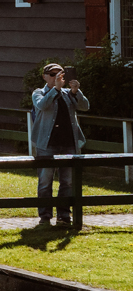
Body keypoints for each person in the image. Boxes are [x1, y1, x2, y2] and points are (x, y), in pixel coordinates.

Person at [30, 63, 89, 226]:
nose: (56, 77)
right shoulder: (39, 93)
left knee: (68, 181)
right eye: (52, 74)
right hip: (47, 144)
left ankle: (63, 215)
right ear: (44, 77)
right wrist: (55, 89)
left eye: (59, 74)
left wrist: (77, 92)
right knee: (45, 181)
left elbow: (85, 106)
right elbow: (42, 105)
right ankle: (45, 216)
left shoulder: (68, 94)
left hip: (68, 143)